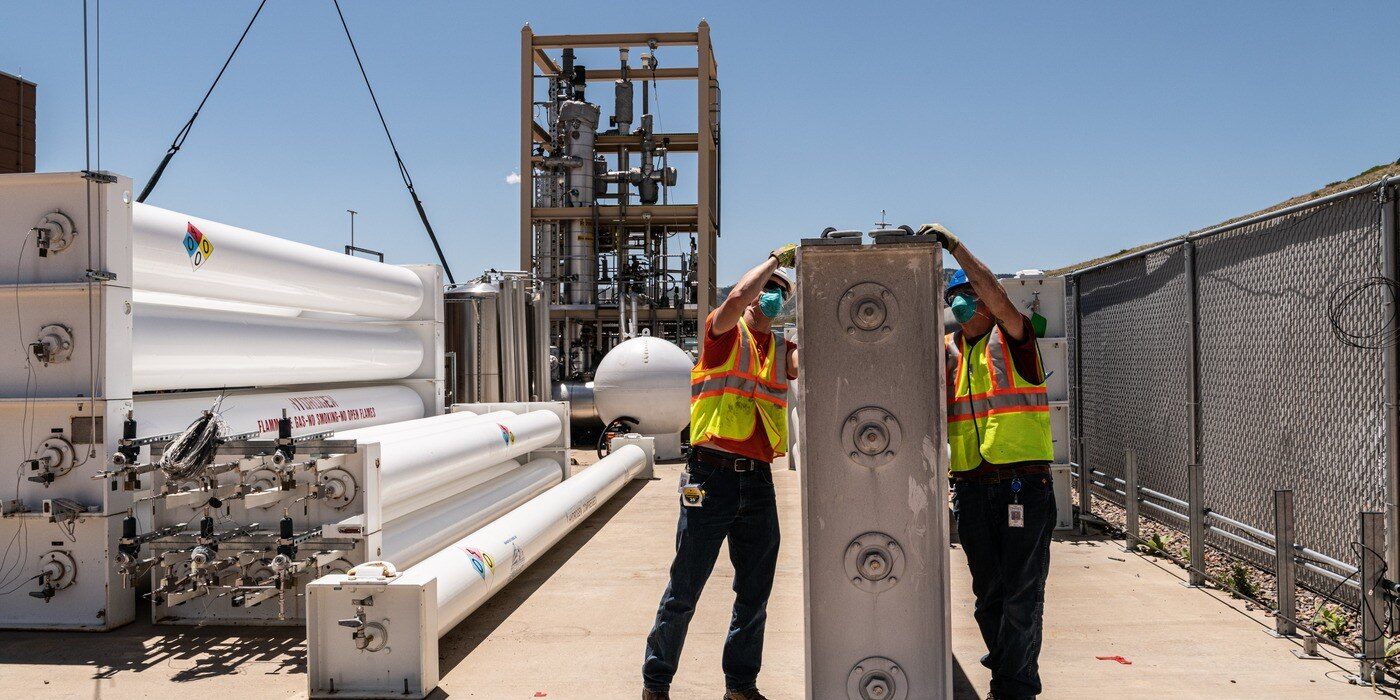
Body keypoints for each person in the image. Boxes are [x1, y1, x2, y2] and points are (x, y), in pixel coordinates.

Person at [642, 245, 799, 700]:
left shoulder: (780, 347)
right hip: (710, 477)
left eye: (779, 293)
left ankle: (740, 685)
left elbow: (806, 363)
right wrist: (774, 261)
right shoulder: (724, 333)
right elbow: (733, 302)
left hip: (757, 479)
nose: (770, 296)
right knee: (685, 588)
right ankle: (656, 683)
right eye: (766, 289)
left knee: (754, 591)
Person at [919, 223, 1056, 700]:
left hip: (1023, 486)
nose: (961, 303)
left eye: (968, 294)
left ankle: (1012, 688)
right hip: (974, 489)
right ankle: (1009, 667)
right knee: (988, 597)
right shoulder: (950, 355)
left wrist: (955, 248)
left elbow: (998, 296)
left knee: (1021, 594)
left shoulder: (1014, 339)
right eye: (953, 296)